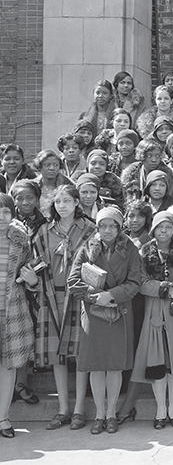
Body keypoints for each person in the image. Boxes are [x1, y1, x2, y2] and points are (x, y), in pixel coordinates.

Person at [68, 206, 142, 435]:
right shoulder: (87, 247)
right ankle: (99, 414)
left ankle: (112, 414)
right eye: (103, 225)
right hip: (93, 312)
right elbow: (73, 280)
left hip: (119, 312)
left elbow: (135, 281)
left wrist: (112, 295)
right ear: (97, 227)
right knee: (97, 367)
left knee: (114, 367)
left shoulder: (130, 248)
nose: (107, 230)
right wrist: (95, 296)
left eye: (113, 226)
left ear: (120, 228)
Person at [32, 186, 96, 431]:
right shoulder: (44, 231)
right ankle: (63, 408)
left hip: (79, 296)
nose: (62, 206)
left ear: (77, 202)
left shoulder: (89, 229)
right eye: (58, 202)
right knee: (57, 353)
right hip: (51, 295)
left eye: (67, 201)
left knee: (80, 352)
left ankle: (79, 407)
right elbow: (36, 263)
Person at [131, 212, 173, 430]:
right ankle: (160, 410)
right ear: (153, 230)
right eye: (160, 227)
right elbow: (140, 283)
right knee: (157, 363)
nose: (164, 231)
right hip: (155, 310)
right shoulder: (143, 252)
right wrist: (167, 290)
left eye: (168, 227)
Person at [0, 194, 36, 438]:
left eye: (5, 212)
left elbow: (31, 273)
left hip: (11, 310)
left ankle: (3, 418)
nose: (1, 217)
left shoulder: (21, 240)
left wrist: (32, 280)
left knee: (8, 365)